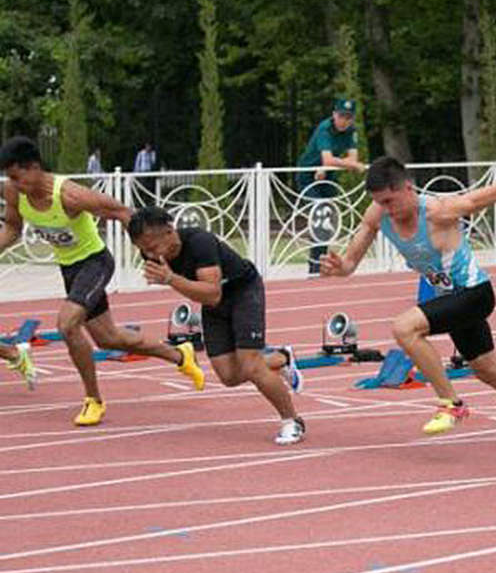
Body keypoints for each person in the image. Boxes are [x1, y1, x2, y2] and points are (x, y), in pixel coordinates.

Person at [319, 156, 496, 444]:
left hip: (475, 293)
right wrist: (339, 268)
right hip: (450, 298)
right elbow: (349, 264)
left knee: (405, 328)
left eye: (390, 201)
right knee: (487, 370)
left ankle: (451, 404)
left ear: (408, 188)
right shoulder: (377, 215)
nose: (387, 210)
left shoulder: (439, 211)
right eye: (379, 202)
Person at [0, 136, 205, 425]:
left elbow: (122, 212)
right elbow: (12, 227)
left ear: (34, 167)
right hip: (69, 268)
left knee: (67, 324)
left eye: (17, 177)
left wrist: (148, 251)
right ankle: (180, 355)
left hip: (95, 263)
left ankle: (93, 400)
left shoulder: (70, 195)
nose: (13, 184)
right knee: (109, 338)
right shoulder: (14, 192)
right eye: (9, 178)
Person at [127, 207, 306, 445]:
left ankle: (292, 420)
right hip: (213, 303)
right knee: (228, 376)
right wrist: (171, 278)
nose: (148, 254)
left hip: (242, 291)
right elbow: (208, 298)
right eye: (143, 249)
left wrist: (170, 279)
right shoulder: (152, 254)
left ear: (170, 231)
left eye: (152, 247)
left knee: (251, 365)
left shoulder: (200, 242)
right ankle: (281, 358)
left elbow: (212, 293)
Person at [296, 99, 366, 274]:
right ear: (334, 114)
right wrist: (341, 164)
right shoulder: (325, 128)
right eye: (341, 116)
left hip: (328, 175)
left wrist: (328, 166)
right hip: (308, 175)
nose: (344, 121)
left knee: (328, 218)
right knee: (319, 214)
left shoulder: (351, 131)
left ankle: (320, 265)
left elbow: (352, 158)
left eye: (348, 117)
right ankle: (314, 266)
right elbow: (332, 159)